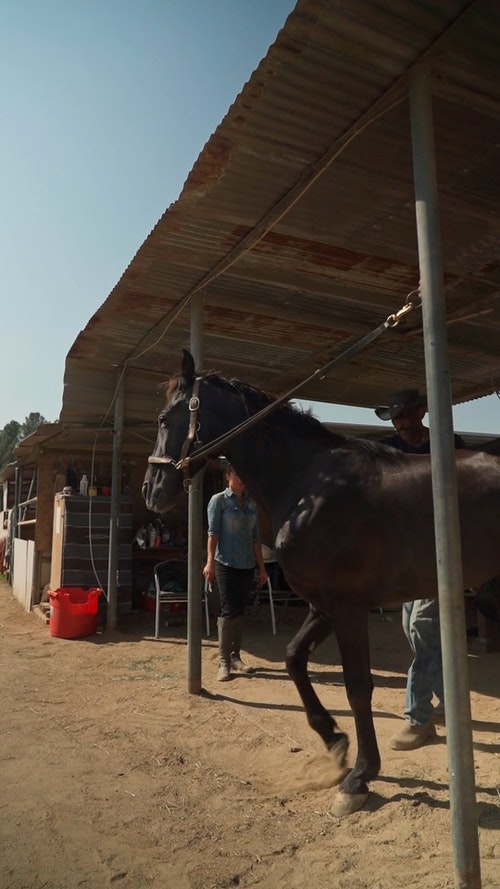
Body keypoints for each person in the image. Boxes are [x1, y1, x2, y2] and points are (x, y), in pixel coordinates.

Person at [375, 389, 465, 750]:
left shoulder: (447, 443)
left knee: (422, 628)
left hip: (438, 549)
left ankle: (419, 720)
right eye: (395, 419)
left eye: (405, 416)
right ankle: (449, 700)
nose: (399, 424)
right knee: (412, 631)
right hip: (404, 554)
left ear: (422, 412)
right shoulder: (389, 450)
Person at [203, 464, 268, 682]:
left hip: (247, 564)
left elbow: (256, 538)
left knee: (240, 609)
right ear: (228, 475)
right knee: (228, 609)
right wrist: (209, 562)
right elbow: (213, 533)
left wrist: (261, 567)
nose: (241, 479)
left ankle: (235, 656)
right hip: (225, 563)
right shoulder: (219, 501)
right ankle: (223, 662)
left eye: (244, 475)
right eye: (237, 474)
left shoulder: (250, 505)